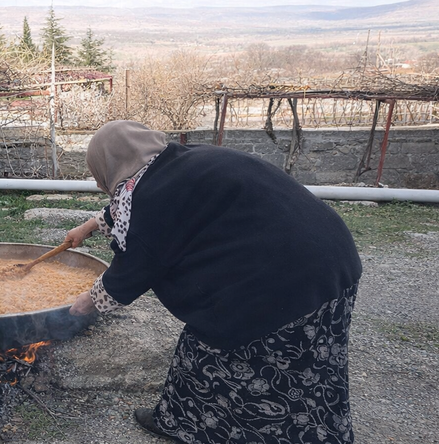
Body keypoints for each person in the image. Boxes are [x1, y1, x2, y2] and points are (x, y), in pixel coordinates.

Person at [66, 120, 362, 443]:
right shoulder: (171, 163)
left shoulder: (152, 198)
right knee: (304, 361)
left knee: (223, 345)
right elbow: (131, 208)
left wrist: (81, 304)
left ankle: (202, 425)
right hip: (332, 254)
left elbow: (130, 270)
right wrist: (88, 227)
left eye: (99, 175)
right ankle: (183, 420)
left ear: (111, 166)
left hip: (291, 277)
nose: (99, 185)